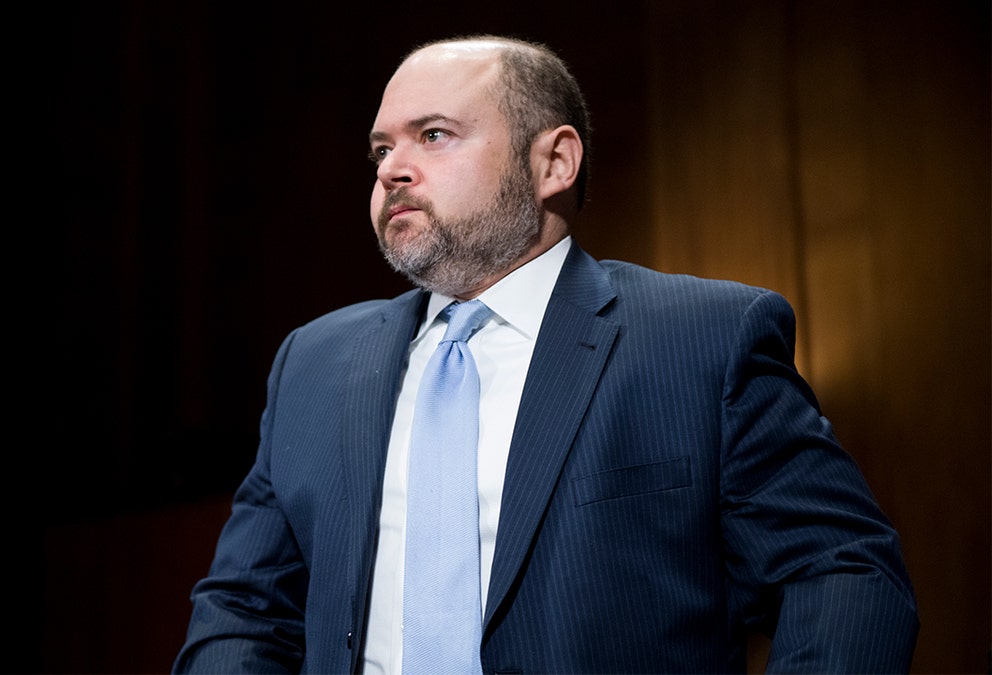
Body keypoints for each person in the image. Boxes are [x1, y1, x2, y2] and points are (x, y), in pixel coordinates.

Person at [173, 34, 918, 674]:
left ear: (554, 161)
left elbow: (840, 571)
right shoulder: (315, 361)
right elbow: (244, 606)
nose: (391, 169)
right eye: (381, 148)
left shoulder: (703, 338)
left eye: (433, 135)